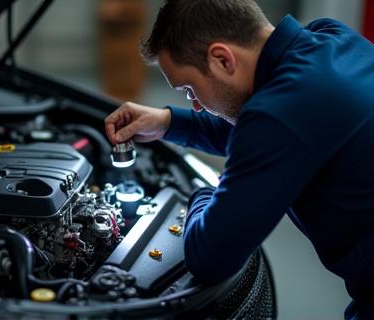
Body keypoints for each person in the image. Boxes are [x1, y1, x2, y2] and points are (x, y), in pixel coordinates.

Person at [104, 0, 374, 318]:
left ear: (222, 59)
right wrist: (167, 122)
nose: (196, 106)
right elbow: (273, 135)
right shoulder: (332, 37)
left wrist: (196, 195)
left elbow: (211, 256)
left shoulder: (279, 116)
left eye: (189, 89)